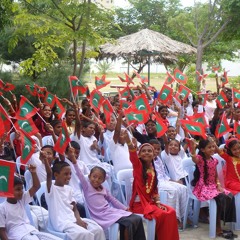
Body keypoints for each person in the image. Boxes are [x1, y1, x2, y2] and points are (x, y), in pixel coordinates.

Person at [69, 146, 146, 240]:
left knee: (136, 218)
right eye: (94, 176)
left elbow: (113, 200)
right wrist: (73, 159)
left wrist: (125, 208)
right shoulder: (87, 186)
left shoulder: (103, 189)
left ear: (103, 181)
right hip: (100, 215)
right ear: (89, 177)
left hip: (110, 211)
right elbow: (79, 174)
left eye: (99, 178)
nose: (96, 180)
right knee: (128, 223)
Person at [124, 131, 179, 240]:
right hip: (139, 204)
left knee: (171, 211)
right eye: (143, 151)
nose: (147, 153)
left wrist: (158, 203)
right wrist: (129, 142)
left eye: (150, 151)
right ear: (139, 154)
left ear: (154, 155)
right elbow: (133, 158)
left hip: (150, 202)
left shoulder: (153, 169)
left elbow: (154, 189)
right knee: (161, 215)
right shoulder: (138, 167)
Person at [43, 154, 105, 240]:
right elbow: (49, 173)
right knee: (85, 234)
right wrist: (46, 160)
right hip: (62, 223)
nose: (69, 177)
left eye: (70, 174)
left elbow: (75, 208)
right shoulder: (51, 189)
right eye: (66, 174)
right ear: (56, 175)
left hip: (73, 219)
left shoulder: (69, 189)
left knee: (98, 229)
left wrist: (79, 219)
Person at [190, 138, 236, 238]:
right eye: (209, 147)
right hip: (203, 186)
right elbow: (194, 158)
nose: (212, 149)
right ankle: (217, 225)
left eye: (213, 147)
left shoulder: (214, 160)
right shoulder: (200, 159)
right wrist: (193, 148)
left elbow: (215, 175)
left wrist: (218, 184)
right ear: (202, 149)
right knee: (220, 198)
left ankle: (222, 219)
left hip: (213, 185)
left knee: (229, 195)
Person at [0, 166, 61, 240]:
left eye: (22, 188)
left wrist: (34, 173)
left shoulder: (22, 199)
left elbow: (36, 186)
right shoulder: (2, 208)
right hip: (18, 235)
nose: (21, 192)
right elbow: (2, 230)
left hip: (31, 230)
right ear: (8, 190)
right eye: (18, 189)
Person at [149, 139, 188, 228]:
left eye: (158, 149)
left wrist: (173, 181)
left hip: (164, 181)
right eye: (153, 149)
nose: (156, 151)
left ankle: (183, 216)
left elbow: (164, 175)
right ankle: (174, 218)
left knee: (183, 188)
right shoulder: (147, 160)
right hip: (156, 183)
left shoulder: (158, 159)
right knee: (173, 191)